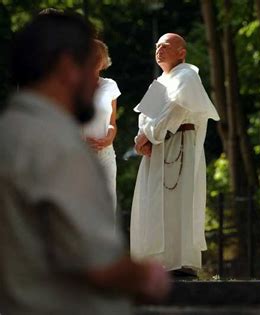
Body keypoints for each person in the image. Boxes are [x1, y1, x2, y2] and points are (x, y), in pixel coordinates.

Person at [0, 12, 170, 315]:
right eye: (88, 68)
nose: (95, 87)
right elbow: (99, 265)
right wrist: (151, 275)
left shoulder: (10, 130)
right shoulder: (58, 147)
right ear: (67, 68)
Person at [131, 33, 219, 277]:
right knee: (154, 203)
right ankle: (157, 264)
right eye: (157, 45)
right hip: (157, 149)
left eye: (166, 46)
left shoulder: (187, 76)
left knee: (176, 202)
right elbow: (145, 117)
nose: (159, 49)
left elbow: (175, 110)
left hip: (178, 145)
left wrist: (148, 135)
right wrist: (143, 138)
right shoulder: (160, 82)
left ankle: (179, 263)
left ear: (182, 52)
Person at [83, 39, 121, 212]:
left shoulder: (110, 86)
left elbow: (112, 123)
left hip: (105, 155)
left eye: (98, 55)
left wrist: (109, 137)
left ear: (104, 61)